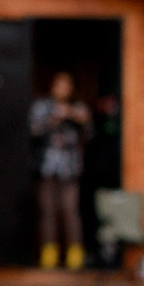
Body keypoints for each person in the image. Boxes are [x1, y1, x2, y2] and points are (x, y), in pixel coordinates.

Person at [29, 72, 92, 269]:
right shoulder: (42, 107)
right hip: (47, 168)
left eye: (66, 85)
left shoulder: (78, 109)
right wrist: (53, 119)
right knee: (47, 211)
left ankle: (75, 255)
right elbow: (32, 130)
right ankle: (49, 254)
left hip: (70, 170)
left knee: (70, 210)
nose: (62, 89)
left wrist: (72, 115)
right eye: (59, 85)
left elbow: (89, 133)